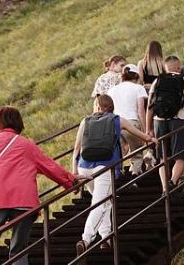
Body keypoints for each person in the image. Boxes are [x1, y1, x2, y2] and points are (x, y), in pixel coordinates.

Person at [0, 106, 75, 265]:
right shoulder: (27, 144)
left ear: (0, 122)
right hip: (24, 201)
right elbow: (49, 166)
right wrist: (71, 180)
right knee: (19, 250)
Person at [71, 94, 154, 257]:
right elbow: (138, 133)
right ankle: (86, 239)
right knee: (99, 204)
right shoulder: (118, 120)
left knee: (105, 201)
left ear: (97, 106)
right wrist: (151, 140)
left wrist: (74, 172)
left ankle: (106, 238)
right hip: (105, 168)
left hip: (84, 168)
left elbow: (76, 149)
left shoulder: (85, 121)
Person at [143, 56, 184, 188]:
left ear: (165, 68)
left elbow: (150, 105)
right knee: (180, 157)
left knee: (163, 158)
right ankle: (172, 181)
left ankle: (164, 189)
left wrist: (148, 128)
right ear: (179, 67)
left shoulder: (158, 80)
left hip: (159, 121)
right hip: (179, 121)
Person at [107, 64, 151, 173]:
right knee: (136, 153)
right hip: (132, 123)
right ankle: (134, 177)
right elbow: (141, 110)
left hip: (115, 123)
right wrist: (145, 131)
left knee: (119, 152)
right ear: (136, 76)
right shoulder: (138, 88)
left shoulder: (112, 90)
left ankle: (117, 175)